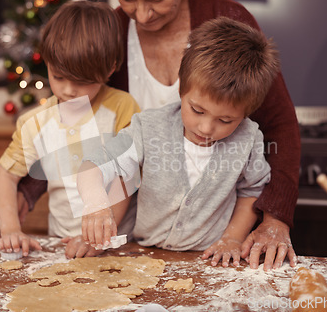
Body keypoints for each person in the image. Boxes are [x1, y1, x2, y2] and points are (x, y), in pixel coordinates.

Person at [1, 0, 301, 270]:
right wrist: (26, 191)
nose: (142, 15)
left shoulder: (230, 22)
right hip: (135, 235)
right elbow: (77, 117)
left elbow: (279, 125)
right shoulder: (111, 33)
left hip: (206, 249)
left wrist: (275, 219)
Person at [78, 17, 278, 267]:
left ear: (246, 112)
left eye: (226, 120)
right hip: (143, 254)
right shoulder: (148, 127)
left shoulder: (249, 138)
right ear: (182, 89)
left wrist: (232, 239)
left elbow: (252, 191)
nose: (206, 128)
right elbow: (93, 166)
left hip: (209, 261)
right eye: (197, 110)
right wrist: (96, 206)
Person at [0, 0, 140, 258]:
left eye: (83, 81)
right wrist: (11, 228)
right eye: (58, 76)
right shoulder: (35, 123)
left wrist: (99, 238)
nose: (69, 90)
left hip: (121, 246)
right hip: (62, 247)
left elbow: (125, 176)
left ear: (111, 66)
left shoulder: (122, 108)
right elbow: (5, 176)